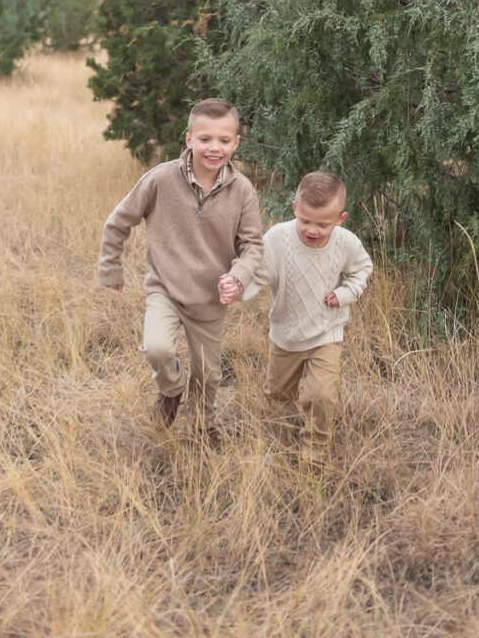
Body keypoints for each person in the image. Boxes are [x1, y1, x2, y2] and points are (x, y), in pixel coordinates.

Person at [98, 98, 263, 436]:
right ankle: (171, 392)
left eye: (224, 140)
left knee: (208, 375)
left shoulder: (242, 190)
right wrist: (110, 268)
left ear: (236, 142)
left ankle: (204, 428)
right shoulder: (160, 180)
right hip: (165, 287)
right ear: (188, 140)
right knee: (157, 347)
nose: (214, 148)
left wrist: (238, 278)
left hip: (210, 295)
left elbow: (252, 246)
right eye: (205, 139)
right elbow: (118, 222)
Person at [219, 171, 372, 463]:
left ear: (340, 219)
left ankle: (313, 451)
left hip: (327, 332)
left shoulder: (346, 243)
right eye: (305, 221)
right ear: (295, 209)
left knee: (320, 396)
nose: (312, 230)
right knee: (277, 395)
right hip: (286, 335)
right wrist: (236, 286)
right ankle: (280, 441)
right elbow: (258, 271)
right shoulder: (278, 238)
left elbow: (362, 269)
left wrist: (345, 294)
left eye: (323, 224)